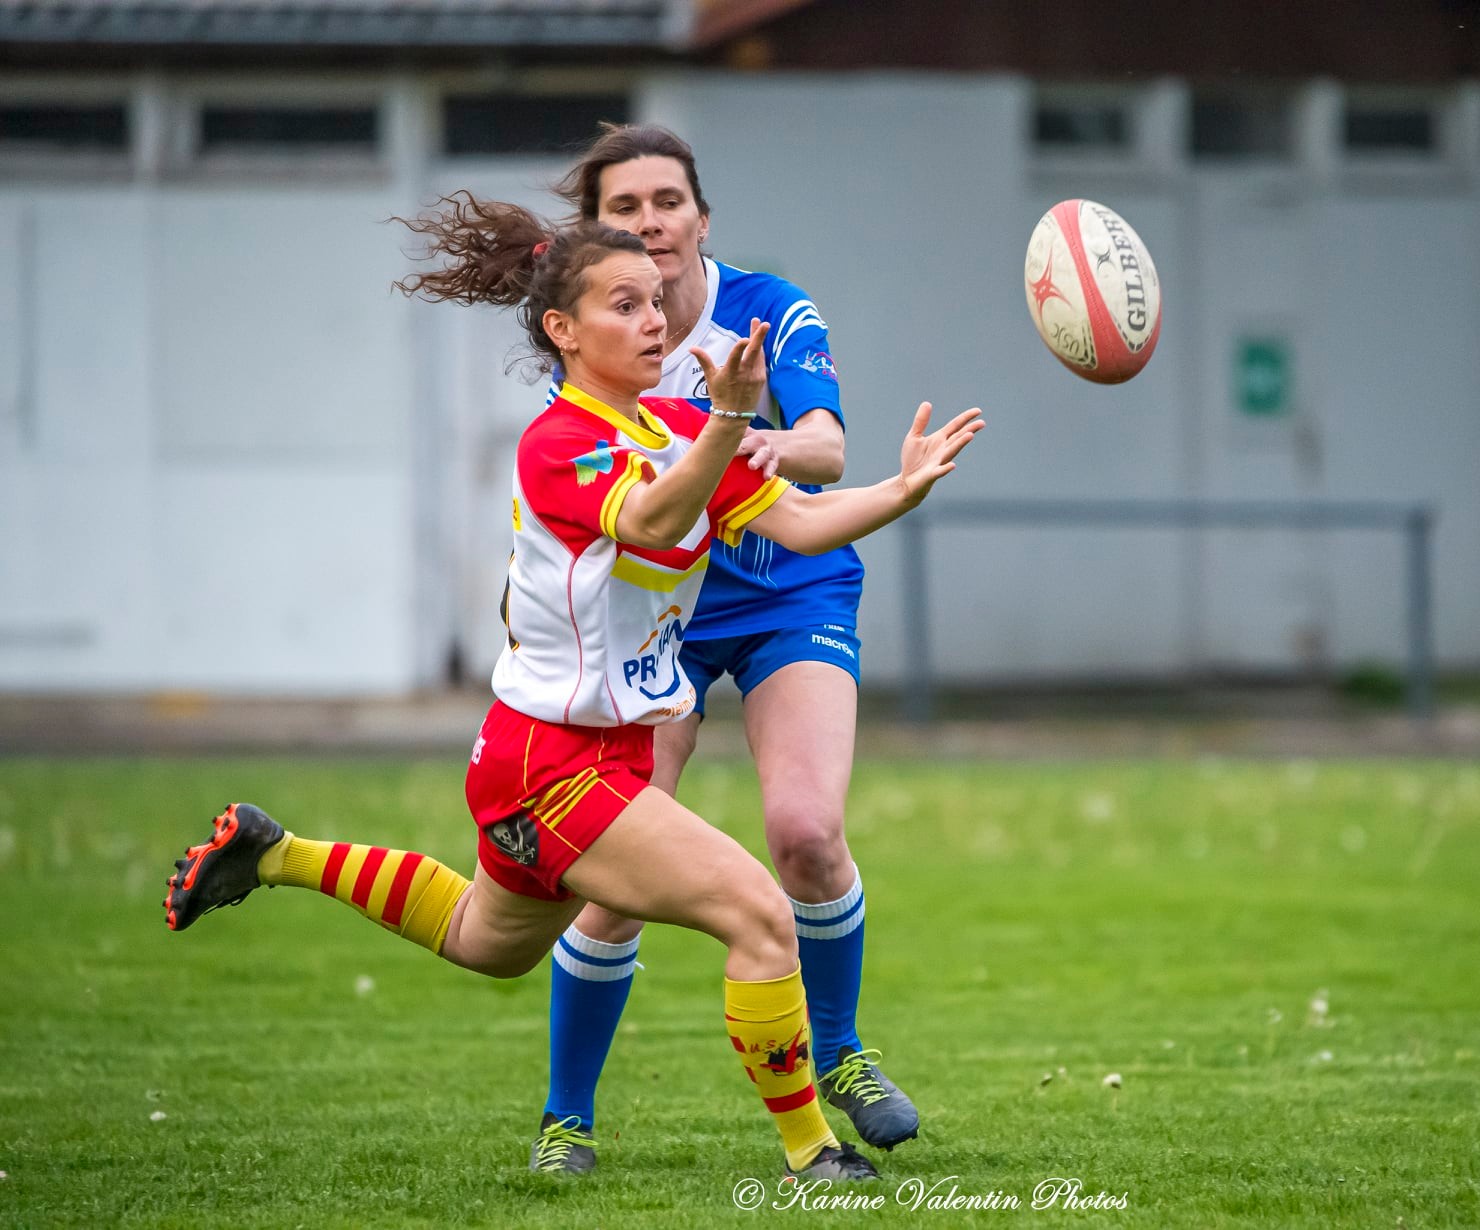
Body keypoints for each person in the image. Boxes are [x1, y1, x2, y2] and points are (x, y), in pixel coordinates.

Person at [161, 204, 983, 1184]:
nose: (653, 322)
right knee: (759, 916)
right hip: (554, 764)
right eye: (623, 305)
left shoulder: (676, 422)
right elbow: (649, 516)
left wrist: (903, 487)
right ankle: (815, 1159)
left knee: (485, 941)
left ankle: (272, 851)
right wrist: (727, 422)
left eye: (654, 304)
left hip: (570, 757)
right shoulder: (561, 442)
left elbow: (801, 523)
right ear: (563, 330)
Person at [530, 123, 914, 1173]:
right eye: (625, 208)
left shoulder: (770, 308)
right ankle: (567, 1119)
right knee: (617, 882)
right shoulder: (606, 344)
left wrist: (756, 439)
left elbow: (829, 445)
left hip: (791, 587)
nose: (650, 222)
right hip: (666, 615)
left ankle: (837, 1052)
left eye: (668, 201)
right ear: (595, 229)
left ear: (703, 216)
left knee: (804, 831)